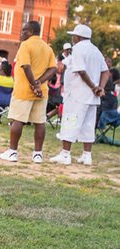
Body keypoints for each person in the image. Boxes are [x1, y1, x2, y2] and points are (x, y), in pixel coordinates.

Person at [50, 24, 110, 165]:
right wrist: (100, 87)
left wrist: (94, 87)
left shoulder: (77, 49)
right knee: (89, 124)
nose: (72, 38)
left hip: (78, 93)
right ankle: (87, 155)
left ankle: (65, 154)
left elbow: (81, 71)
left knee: (70, 121)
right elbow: (105, 71)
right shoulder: (96, 50)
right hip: (92, 96)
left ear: (78, 37)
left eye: (74, 35)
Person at [0, 21, 56, 163]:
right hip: (41, 92)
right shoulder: (47, 48)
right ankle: (38, 155)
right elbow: (53, 69)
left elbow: (26, 66)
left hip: (24, 90)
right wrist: (39, 83)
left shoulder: (25, 45)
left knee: (17, 120)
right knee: (40, 122)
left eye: (24, 30)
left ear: (30, 31)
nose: (21, 33)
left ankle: (12, 152)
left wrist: (33, 84)